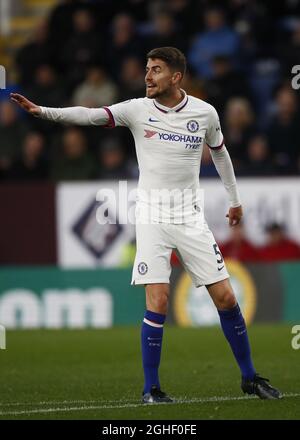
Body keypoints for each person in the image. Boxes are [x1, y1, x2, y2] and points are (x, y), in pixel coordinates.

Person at [10, 46, 281, 403]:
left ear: (176, 77)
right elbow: (90, 115)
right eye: (147, 69)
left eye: (155, 70)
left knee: (228, 298)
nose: (147, 76)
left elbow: (219, 151)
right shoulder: (137, 110)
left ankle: (249, 377)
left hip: (190, 217)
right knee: (159, 300)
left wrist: (234, 200)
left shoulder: (205, 113)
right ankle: (151, 388)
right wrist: (42, 111)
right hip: (152, 217)